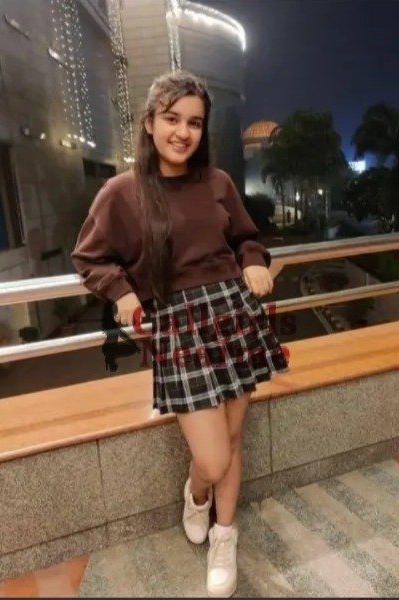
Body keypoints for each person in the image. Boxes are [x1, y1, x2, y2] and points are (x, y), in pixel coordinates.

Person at [71, 70, 288, 597]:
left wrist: (253, 261)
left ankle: (224, 534)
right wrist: (122, 293)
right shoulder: (122, 192)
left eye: (194, 122)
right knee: (212, 458)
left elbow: (247, 238)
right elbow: (89, 258)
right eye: (172, 119)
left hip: (233, 313)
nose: (183, 132)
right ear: (149, 123)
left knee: (232, 439)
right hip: (179, 325)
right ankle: (197, 493)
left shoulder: (218, 183)